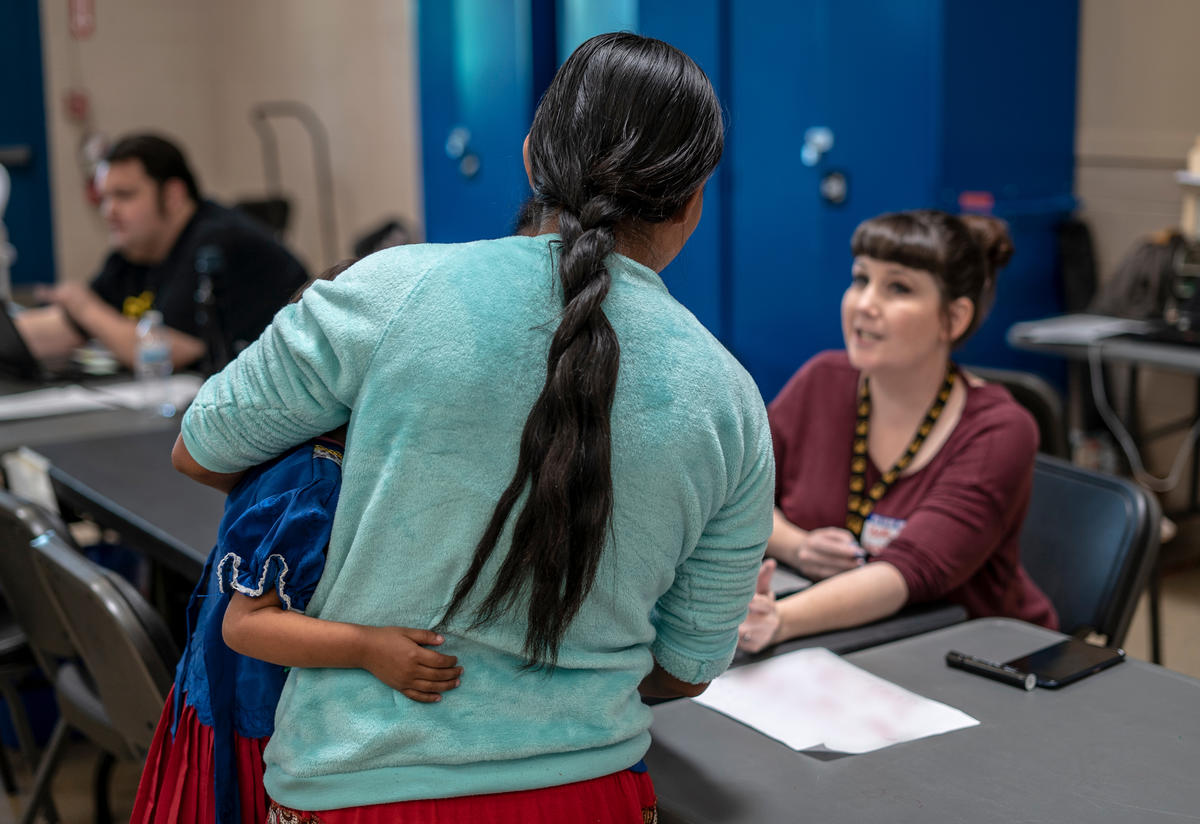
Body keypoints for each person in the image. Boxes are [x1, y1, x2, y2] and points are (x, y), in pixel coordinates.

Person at [172, 32, 773, 822]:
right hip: (593, 796)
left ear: (530, 158)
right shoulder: (730, 400)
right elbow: (688, 668)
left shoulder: (390, 292)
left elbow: (201, 449)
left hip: (361, 790)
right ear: (694, 202)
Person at [131, 262, 463, 824]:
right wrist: (367, 647)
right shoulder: (311, 479)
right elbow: (246, 623)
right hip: (255, 717)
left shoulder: (330, 460)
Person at [738, 210, 1057, 654]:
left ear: (955, 318)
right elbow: (736, 494)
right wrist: (798, 546)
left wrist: (781, 619)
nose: (865, 303)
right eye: (861, 279)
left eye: (898, 288)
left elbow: (910, 573)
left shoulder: (1001, 431)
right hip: (839, 639)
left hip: (971, 656)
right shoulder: (823, 379)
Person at [15, 133, 306, 372]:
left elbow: (165, 351)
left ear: (173, 195)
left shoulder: (219, 243)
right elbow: (66, 326)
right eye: (104, 198)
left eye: (124, 196)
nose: (109, 211)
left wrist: (84, 306)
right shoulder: (135, 251)